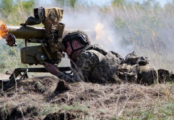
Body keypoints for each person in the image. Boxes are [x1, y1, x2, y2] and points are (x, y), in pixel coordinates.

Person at [44, 30, 173, 85]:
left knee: (165, 77)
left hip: (138, 75)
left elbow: (78, 83)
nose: (65, 50)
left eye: (66, 46)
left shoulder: (87, 55)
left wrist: (56, 72)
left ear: (76, 44)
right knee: (165, 77)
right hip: (135, 73)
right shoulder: (92, 51)